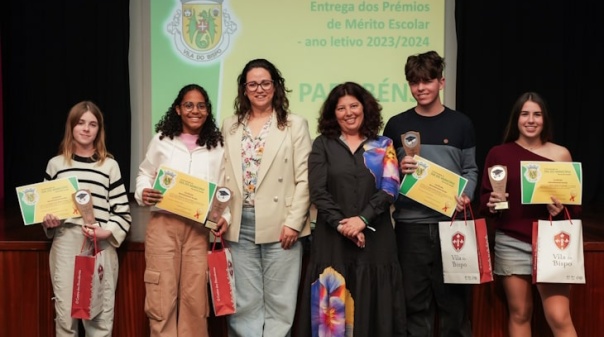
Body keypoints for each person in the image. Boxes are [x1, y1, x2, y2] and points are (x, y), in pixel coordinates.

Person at [297, 82, 406, 337]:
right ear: (332, 114)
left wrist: (362, 219)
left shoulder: (384, 144)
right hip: (332, 242)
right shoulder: (322, 144)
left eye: (354, 105)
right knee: (331, 312)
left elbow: (390, 188)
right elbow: (318, 192)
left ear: (365, 108)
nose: (349, 112)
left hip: (376, 241)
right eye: (341, 108)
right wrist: (344, 225)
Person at [383, 50, 478, 336]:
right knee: (414, 304)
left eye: (427, 81)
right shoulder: (396, 124)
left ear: (441, 82)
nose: (420, 88)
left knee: (455, 305)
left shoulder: (461, 124)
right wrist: (399, 168)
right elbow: (386, 177)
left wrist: (467, 195)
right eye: (414, 82)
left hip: (452, 224)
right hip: (410, 227)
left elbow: (471, 170)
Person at [221, 58, 312, 337]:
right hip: (239, 223)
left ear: (275, 86)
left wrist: (294, 222)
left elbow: (305, 177)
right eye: (253, 84)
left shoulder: (294, 124)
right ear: (244, 90)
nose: (259, 89)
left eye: (265, 83)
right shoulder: (230, 126)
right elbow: (223, 177)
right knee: (244, 302)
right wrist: (221, 216)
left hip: (282, 224)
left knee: (280, 302)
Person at [479, 92, 579, 337]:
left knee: (559, 316)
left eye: (537, 114)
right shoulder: (498, 154)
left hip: (552, 242)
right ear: (516, 119)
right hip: (511, 241)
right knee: (520, 313)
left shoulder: (561, 154)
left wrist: (561, 209)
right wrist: (491, 204)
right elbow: (484, 201)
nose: (531, 120)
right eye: (525, 114)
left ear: (545, 119)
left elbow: (574, 207)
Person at [135, 84, 229, 337]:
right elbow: (145, 173)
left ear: (208, 111)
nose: (195, 110)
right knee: (161, 296)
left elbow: (224, 188)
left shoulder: (217, 146)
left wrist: (225, 217)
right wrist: (143, 191)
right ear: (178, 109)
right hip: (163, 226)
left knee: (195, 298)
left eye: (201, 106)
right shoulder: (162, 140)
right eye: (188, 105)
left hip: (199, 230)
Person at [42, 101, 132, 337]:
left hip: (99, 244)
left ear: (98, 130)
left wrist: (107, 232)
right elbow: (44, 211)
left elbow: (123, 212)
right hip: (66, 242)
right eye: (80, 122)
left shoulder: (109, 166)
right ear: (71, 126)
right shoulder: (56, 165)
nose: (86, 128)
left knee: (100, 317)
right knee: (65, 316)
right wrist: (48, 222)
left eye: (92, 124)